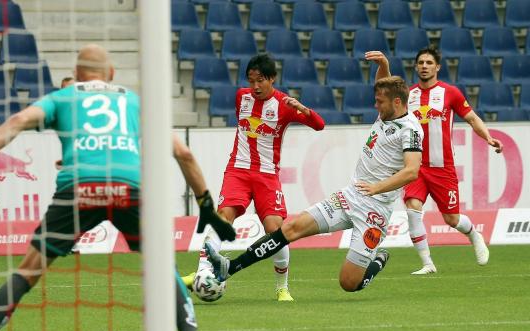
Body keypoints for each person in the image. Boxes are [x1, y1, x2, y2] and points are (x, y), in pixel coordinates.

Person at [0, 44, 235, 331]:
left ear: (77, 74)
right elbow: (183, 153)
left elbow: (18, 121)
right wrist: (205, 204)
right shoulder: (135, 103)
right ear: (111, 74)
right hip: (129, 188)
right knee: (163, 267)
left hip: (78, 189)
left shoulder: (63, 97)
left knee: (28, 271)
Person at [205, 76, 423, 295]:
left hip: (374, 211)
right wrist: (382, 65)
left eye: (380, 102)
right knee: (291, 228)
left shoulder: (410, 130)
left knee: (349, 283)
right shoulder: (386, 113)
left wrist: (378, 187)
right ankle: (230, 267)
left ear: (396, 102)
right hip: (350, 196)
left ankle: (377, 260)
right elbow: (384, 85)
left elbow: (411, 170)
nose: (375, 105)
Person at [183, 53, 325, 302]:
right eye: (251, 80)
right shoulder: (241, 97)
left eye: (260, 80)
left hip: (267, 175)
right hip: (238, 170)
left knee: (275, 229)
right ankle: (203, 273)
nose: (255, 86)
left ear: (272, 79)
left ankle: (282, 287)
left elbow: (319, 125)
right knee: (222, 218)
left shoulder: (284, 105)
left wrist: (303, 109)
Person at [373, 47, 504, 275]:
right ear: (416, 67)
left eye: (429, 62)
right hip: (415, 166)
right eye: (421, 62)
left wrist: (489, 137)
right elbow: (384, 93)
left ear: (437, 67)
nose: (424, 66)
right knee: (413, 209)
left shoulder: (450, 93)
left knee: (451, 218)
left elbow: (472, 118)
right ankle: (427, 263)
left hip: (443, 167)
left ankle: (473, 234)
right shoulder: (408, 95)